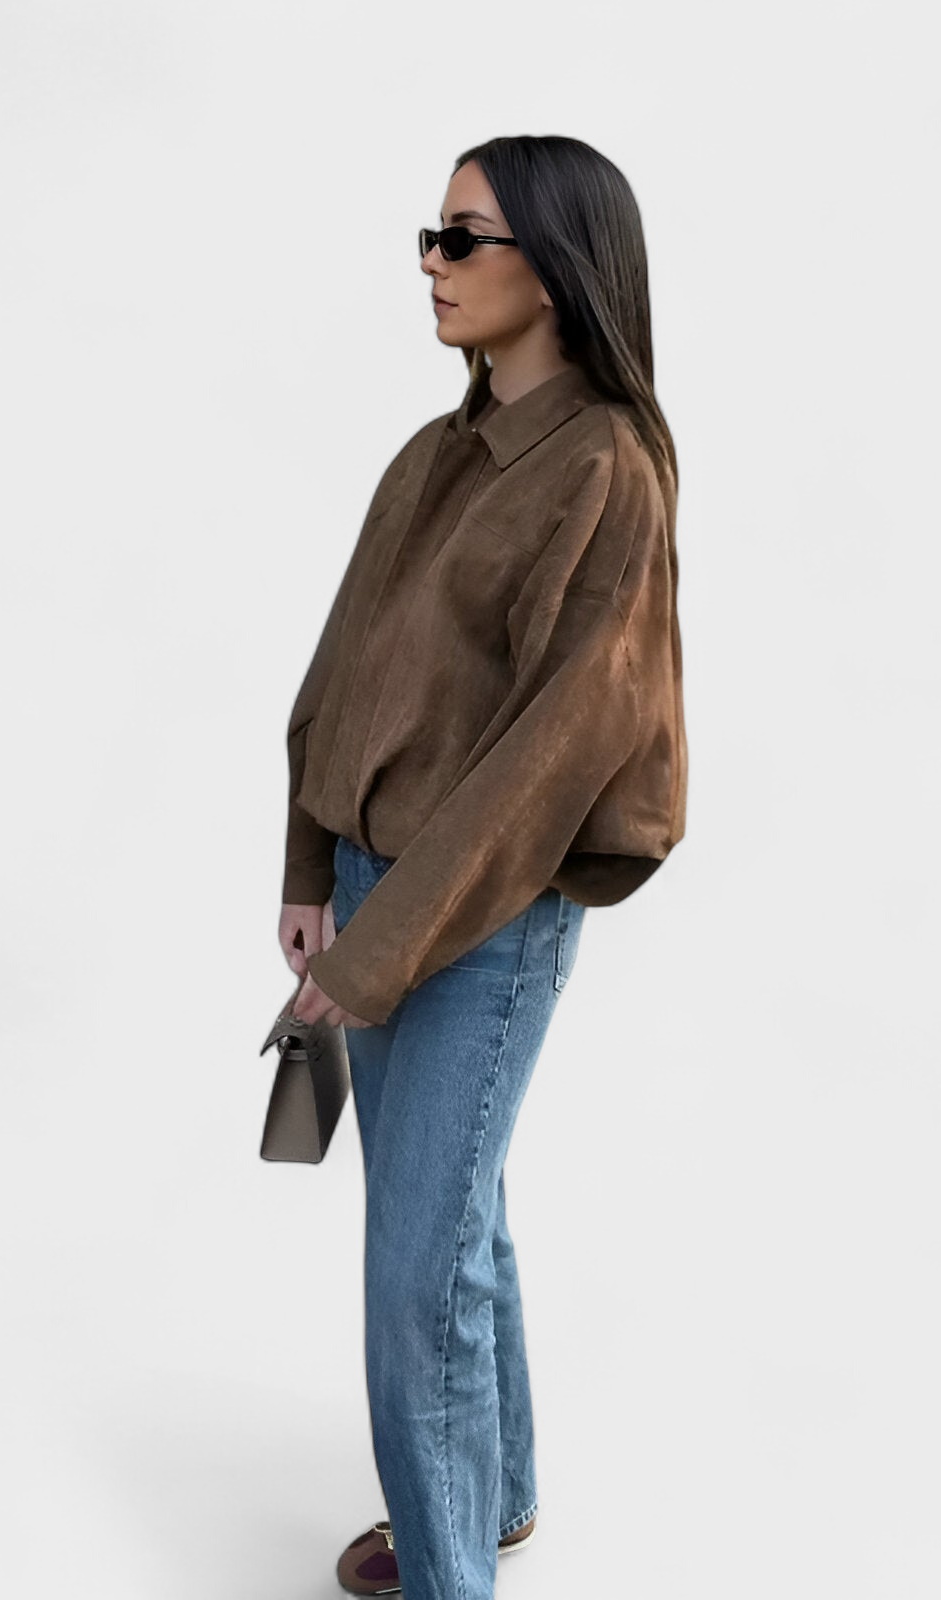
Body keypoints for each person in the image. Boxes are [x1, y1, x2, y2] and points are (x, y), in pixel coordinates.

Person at [275, 133, 687, 1600]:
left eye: (465, 239)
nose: (433, 265)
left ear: (556, 268)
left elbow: (552, 755)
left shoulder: (606, 471)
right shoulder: (434, 455)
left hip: (484, 919)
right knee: (453, 1220)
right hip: (374, 892)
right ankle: (493, 1495)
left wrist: (382, 952)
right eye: (432, 236)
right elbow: (343, 666)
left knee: (418, 1267)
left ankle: (451, 1573)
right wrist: (312, 866)